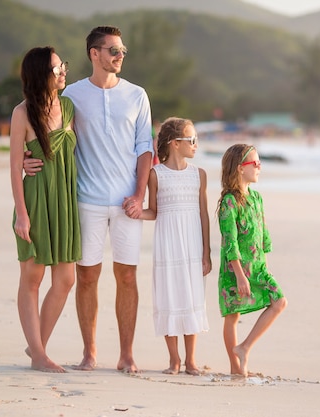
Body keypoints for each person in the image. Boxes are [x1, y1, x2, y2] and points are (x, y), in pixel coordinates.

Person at [24, 26, 153, 373]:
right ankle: (90, 352)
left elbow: (145, 149)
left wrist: (139, 195)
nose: (120, 56)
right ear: (94, 54)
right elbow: (41, 122)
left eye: (123, 50)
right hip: (86, 199)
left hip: (128, 202)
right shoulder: (72, 96)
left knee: (127, 277)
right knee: (87, 277)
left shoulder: (138, 95)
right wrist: (26, 155)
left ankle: (126, 354)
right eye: (113, 50)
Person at [9, 46, 80, 372]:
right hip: (36, 200)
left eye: (62, 65)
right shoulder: (22, 114)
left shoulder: (68, 107)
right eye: (56, 68)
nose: (63, 71)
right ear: (41, 75)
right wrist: (21, 214)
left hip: (65, 201)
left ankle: (36, 346)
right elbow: (13, 167)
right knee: (33, 278)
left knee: (65, 279)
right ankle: (39, 355)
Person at [140, 117, 211, 375]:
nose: (195, 144)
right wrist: (136, 212)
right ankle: (174, 360)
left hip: (192, 246)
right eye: (191, 139)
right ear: (174, 143)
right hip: (167, 245)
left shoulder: (199, 175)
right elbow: (154, 211)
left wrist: (207, 253)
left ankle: (191, 360)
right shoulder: (155, 174)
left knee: (191, 296)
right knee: (170, 295)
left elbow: (203, 215)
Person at [217, 144, 288, 377]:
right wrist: (239, 275)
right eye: (254, 163)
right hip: (235, 268)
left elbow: (263, 234)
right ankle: (235, 367)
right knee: (233, 315)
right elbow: (230, 242)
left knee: (279, 301)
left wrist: (263, 266)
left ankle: (244, 347)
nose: (259, 167)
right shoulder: (229, 202)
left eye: (259, 162)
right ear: (240, 169)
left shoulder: (257, 198)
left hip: (257, 268)